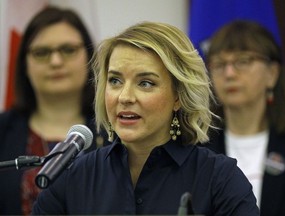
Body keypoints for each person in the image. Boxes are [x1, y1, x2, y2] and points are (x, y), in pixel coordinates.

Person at [32, 21, 259, 215]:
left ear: (178, 97)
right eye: (115, 81)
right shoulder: (74, 177)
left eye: (145, 83)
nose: (125, 96)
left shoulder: (218, 178)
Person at [0, 6, 108, 215]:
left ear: (89, 58)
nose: (56, 61)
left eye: (68, 50)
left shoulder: (117, 132)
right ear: (25, 64)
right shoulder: (2, 131)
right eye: (42, 53)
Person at [205, 20, 285, 216]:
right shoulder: (196, 148)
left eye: (243, 61)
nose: (229, 73)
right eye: (219, 64)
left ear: (272, 73)